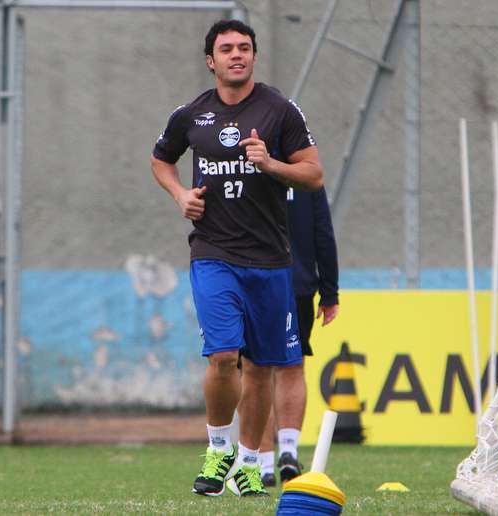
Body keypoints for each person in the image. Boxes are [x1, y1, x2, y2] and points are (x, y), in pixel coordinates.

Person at [150, 19, 323, 498]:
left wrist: (271, 164)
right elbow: (161, 160)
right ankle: (218, 448)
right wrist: (179, 194)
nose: (236, 55)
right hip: (213, 253)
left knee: (264, 364)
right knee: (225, 355)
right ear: (211, 60)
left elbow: (313, 173)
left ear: (253, 56)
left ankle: (250, 461)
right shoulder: (191, 115)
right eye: (226, 49)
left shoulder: (279, 111)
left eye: (244, 48)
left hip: (270, 258)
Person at [259, 186, 340, 487]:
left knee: (256, 373)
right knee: (292, 367)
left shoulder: (239, 161)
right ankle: (289, 453)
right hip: (297, 282)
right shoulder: (306, 168)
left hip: (252, 281)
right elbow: (323, 231)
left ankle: (263, 463)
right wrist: (330, 290)